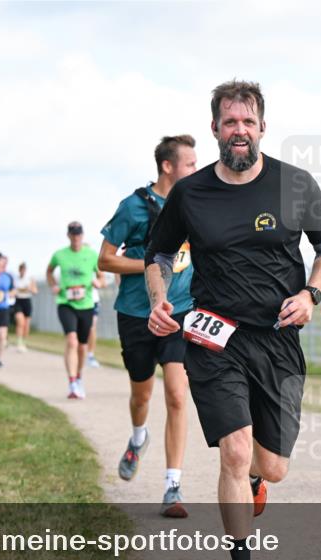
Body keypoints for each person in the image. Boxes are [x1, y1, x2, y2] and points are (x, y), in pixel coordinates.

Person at [144, 80, 321, 560]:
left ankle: (259, 478)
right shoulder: (191, 192)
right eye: (229, 122)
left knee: (271, 466)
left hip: (278, 339)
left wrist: (311, 292)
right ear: (214, 129)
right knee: (232, 450)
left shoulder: (294, 184)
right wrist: (160, 300)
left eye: (247, 122)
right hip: (214, 335)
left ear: (262, 128)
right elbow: (158, 255)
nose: (239, 131)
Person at [99, 134, 198, 518]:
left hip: (179, 312)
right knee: (142, 396)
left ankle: (173, 485)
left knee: (176, 394)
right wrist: (150, 265)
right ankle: (138, 438)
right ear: (168, 167)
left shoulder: (196, 205)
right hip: (137, 315)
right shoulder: (133, 207)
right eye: (190, 164)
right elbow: (105, 261)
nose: (196, 170)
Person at [47, 222, 105, 399]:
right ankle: (72, 382)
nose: (76, 237)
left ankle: (78, 377)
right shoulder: (60, 255)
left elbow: (102, 277)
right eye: (73, 234)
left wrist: (99, 283)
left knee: (82, 346)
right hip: (66, 303)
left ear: (82, 235)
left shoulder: (92, 255)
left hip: (86, 305)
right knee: (71, 341)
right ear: (68, 235)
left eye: (78, 234)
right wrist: (53, 286)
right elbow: (49, 272)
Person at [12, 262, 37, 352]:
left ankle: (24, 342)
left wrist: (29, 289)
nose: (22, 271)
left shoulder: (30, 279)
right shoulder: (15, 279)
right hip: (18, 301)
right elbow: (12, 291)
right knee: (20, 322)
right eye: (21, 270)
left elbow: (35, 291)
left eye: (24, 270)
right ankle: (18, 342)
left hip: (27, 301)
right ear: (19, 270)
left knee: (26, 325)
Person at [86, 280, 102, 368]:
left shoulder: (94, 265)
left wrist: (98, 283)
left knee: (92, 327)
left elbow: (102, 280)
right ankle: (77, 353)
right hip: (74, 301)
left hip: (92, 300)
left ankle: (90, 356)